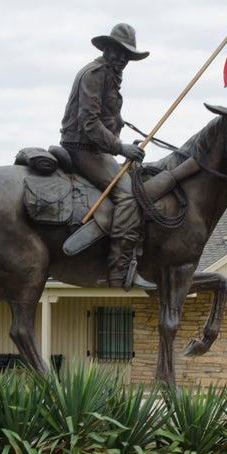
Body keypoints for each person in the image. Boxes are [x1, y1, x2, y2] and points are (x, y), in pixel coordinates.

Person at [60, 23, 153, 290]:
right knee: (129, 196)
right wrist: (120, 148)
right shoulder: (95, 74)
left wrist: (121, 128)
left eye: (127, 56)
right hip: (81, 149)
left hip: (96, 148)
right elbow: (88, 123)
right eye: (118, 52)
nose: (122, 59)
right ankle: (119, 269)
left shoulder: (109, 77)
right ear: (107, 49)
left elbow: (104, 116)